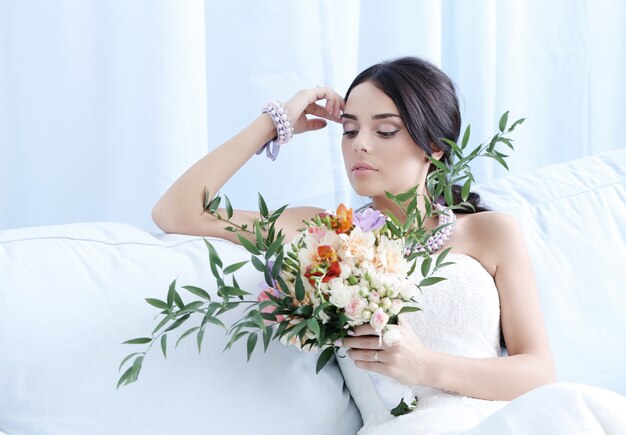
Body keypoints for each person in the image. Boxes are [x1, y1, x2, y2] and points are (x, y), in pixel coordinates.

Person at [151, 57, 624, 434]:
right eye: (350, 129)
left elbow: (539, 372)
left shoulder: (490, 232)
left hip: (503, 421)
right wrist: (277, 121)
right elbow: (178, 213)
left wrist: (427, 366)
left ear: (434, 146)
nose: (360, 145)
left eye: (385, 130)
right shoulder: (326, 235)